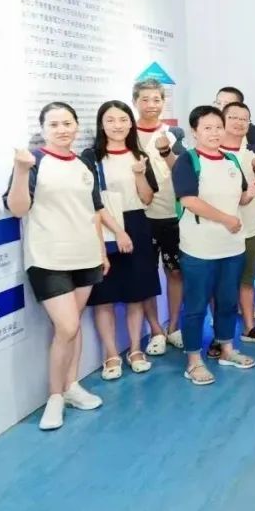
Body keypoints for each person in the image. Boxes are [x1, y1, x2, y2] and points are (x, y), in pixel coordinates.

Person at [3, 102, 107, 430]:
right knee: (67, 327)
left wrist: (101, 252)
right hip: (48, 258)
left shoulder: (84, 164)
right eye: (54, 124)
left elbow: (94, 212)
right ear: (43, 129)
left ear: (76, 125)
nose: (62, 129)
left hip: (86, 255)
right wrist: (21, 170)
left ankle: (72, 385)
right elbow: (18, 208)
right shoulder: (35, 162)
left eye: (67, 123)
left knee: (74, 325)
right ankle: (55, 397)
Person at [172, 105, 255, 386]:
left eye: (218, 127)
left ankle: (227, 349)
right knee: (196, 306)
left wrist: (248, 195)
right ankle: (194, 361)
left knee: (228, 302)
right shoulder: (188, 161)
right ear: (195, 131)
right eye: (207, 128)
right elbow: (189, 200)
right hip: (199, 249)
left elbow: (239, 197)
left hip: (232, 247)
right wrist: (226, 219)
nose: (214, 133)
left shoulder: (231, 160)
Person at [82, 100, 161, 380]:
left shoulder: (139, 155)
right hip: (103, 227)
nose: (117, 125)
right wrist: (118, 231)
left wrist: (139, 174)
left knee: (136, 293)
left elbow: (147, 198)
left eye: (123, 119)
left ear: (131, 123)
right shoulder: (90, 157)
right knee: (104, 296)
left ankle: (135, 349)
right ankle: (111, 354)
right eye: (111, 120)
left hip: (137, 224)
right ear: (101, 124)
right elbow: (92, 201)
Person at [132, 79, 186, 353]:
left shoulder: (173, 134)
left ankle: (174, 326)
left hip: (170, 215)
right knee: (145, 275)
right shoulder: (127, 134)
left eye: (156, 99)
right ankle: (155, 329)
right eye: (145, 99)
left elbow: (183, 172)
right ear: (135, 102)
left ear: (164, 102)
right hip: (139, 217)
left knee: (175, 272)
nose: (151, 105)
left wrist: (166, 152)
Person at [219, 101, 255, 348]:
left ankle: (249, 328)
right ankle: (220, 335)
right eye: (233, 117)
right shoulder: (210, 152)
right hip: (218, 229)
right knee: (219, 284)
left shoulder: (253, 152)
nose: (239, 122)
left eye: (245, 119)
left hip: (250, 227)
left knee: (247, 279)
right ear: (222, 120)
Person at [214, 86, 255, 157]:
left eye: (227, 105)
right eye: (218, 103)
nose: (221, 108)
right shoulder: (207, 127)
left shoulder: (252, 130)